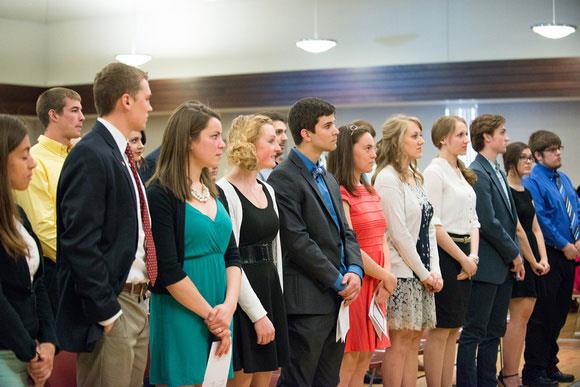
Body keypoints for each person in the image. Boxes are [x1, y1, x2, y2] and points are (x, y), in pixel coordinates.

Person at [56, 62, 156, 387]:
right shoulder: (92, 152)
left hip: (139, 301)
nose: (151, 106)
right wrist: (106, 311)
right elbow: (79, 242)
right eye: (146, 98)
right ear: (126, 100)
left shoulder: (121, 153)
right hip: (115, 304)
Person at [267, 97, 363, 386]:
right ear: (306, 133)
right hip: (307, 300)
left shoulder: (329, 178)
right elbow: (297, 241)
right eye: (328, 125)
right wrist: (337, 279)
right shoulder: (283, 177)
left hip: (336, 297)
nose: (337, 131)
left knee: (327, 380)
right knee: (299, 380)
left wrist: (356, 270)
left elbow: (347, 231)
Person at [147, 100, 242, 386]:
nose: (222, 144)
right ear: (189, 140)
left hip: (221, 307)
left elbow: (232, 255)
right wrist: (212, 316)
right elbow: (167, 269)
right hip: (183, 310)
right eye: (214, 136)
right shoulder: (160, 194)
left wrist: (228, 306)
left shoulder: (214, 191)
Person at [216, 114, 289, 387]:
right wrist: (257, 313)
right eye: (270, 141)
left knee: (265, 378)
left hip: (268, 287)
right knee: (243, 379)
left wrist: (276, 302)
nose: (278, 146)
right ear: (248, 145)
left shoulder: (268, 189)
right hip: (242, 296)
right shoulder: (224, 191)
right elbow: (231, 257)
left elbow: (275, 250)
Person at [372, 114, 443, 387]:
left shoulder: (415, 176)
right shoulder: (387, 178)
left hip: (422, 271)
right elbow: (399, 235)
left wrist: (434, 270)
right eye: (414, 135)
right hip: (402, 273)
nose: (421, 140)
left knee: (415, 341)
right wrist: (424, 273)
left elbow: (428, 227)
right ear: (396, 141)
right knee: (400, 342)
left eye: (421, 134)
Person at [456, 114, 525, 387]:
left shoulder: (495, 169)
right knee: (475, 332)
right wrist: (515, 254)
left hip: (501, 267)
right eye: (502, 132)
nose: (507, 137)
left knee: (494, 331)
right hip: (487, 266)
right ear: (487, 137)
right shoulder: (478, 172)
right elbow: (489, 222)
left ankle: (486, 382)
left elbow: (509, 219)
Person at [326, 120, 396, 387]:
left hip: (378, 282)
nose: (374, 154)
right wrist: (383, 275)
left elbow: (382, 238)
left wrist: (386, 276)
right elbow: (349, 245)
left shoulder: (369, 189)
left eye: (374, 148)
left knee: (366, 356)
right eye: (367, 148)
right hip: (357, 280)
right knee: (349, 359)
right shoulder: (340, 192)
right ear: (347, 151)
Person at [13, 87, 84, 313]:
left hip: (82, 263)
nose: (82, 117)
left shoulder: (78, 156)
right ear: (53, 115)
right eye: (74, 110)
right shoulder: (35, 161)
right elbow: (43, 231)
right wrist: (85, 264)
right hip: (59, 270)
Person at [0, 114, 57, 387]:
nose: (32, 162)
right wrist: (30, 351)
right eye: (24, 156)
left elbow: (38, 282)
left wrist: (48, 341)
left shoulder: (17, 213)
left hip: (28, 349)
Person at [423, 115, 480, 387]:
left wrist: (474, 257)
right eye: (460, 134)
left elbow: (474, 220)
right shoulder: (434, 171)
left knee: (453, 329)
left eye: (466, 134)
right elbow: (434, 224)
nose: (466, 139)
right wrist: (462, 258)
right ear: (443, 139)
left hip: (467, 253)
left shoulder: (460, 170)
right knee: (440, 329)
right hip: (446, 253)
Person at [522, 130, 579, 387]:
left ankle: (550, 365)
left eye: (559, 148)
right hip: (550, 255)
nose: (558, 153)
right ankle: (534, 372)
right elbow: (541, 220)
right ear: (537, 155)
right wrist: (564, 244)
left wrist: (577, 239)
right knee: (542, 317)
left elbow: (576, 210)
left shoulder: (564, 179)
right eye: (552, 150)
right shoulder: (533, 181)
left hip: (569, 254)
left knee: (559, 315)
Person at [498, 142, 550, 387]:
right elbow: (518, 231)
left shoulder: (526, 191)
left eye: (531, 157)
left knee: (526, 317)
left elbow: (535, 228)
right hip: (518, 258)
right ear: (511, 162)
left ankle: (513, 372)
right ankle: (509, 374)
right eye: (524, 158)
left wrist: (544, 259)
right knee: (517, 319)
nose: (529, 162)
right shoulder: (506, 190)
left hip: (534, 260)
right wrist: (532, 262)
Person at [257, 112, 288, 181]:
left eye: (285, 132)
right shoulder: (254, 172)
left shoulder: (286, 167)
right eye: (278, 132)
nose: (285, 138)